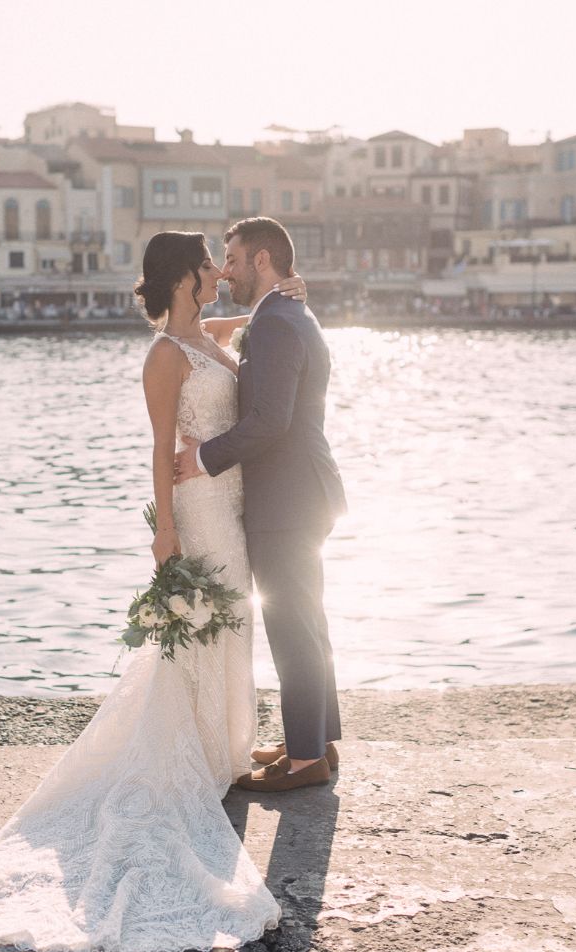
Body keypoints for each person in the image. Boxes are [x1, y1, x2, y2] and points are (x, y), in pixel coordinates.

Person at [0, 231, 308, 952]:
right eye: (209, 263)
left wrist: (273, 302)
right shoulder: (162, 356)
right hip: (198, 517)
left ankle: (220, 752)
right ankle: (186, 757)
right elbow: (161, 448)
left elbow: (220, 342)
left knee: (230, 629)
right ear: (187, 275)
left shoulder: (203, 338)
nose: (220, 271)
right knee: (200, 630)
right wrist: (165, 539)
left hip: (232, 514)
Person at [175, 217, 348, 793]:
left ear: (262, 261)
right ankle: (316, 739)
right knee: (307, 619)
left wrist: (203, 459)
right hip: (305, 492)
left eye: (232, 257)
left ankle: (304, 761)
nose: (225, 270)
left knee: (292, 625)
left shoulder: (276, 323)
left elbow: (269, 422)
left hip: (286, 498)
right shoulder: (285, 314)